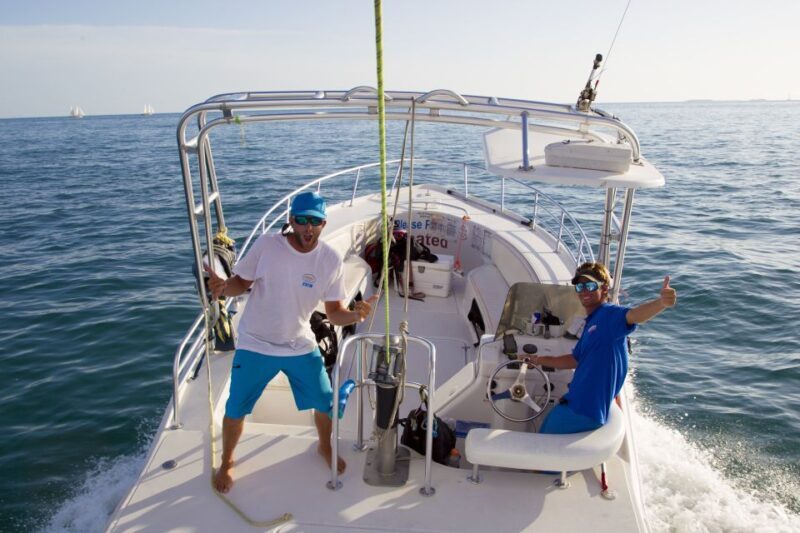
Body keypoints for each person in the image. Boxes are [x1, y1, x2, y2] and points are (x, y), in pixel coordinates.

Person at [204, 191, 378, 493]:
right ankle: (227, 461)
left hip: (299, 344)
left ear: (324, 224)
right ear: (291, 221)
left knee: (325, 402)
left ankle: (324, 446)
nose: (308, 227)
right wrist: (223, 288)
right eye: (301, 220)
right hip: (255, 343)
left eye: (315, 221)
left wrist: (355, 315)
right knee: (235, 407)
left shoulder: (330, 260)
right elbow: (240, 283)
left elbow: (334, 314)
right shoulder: (267, 246)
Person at [526, 262, 676, 434]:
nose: (584, 291)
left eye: (590, 286)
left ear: (604, 289)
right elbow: (575, 360)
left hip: (584, 412)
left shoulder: (609, 314)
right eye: (580, 287)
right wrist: (537, 360)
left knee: (540, 442)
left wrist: (661, 303)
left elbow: (634, 316)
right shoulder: (591, 322)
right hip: (575, 403)